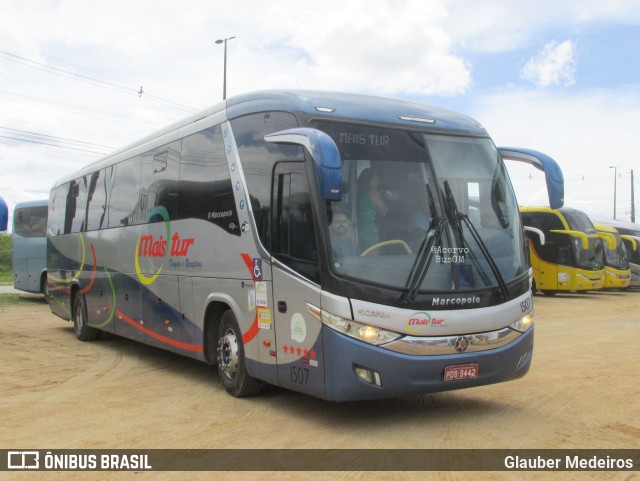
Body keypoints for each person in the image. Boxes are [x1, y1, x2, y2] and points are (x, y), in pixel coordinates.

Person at [356, 168, 388, 251]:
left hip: (357, 229)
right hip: (369, 231)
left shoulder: (357, 194)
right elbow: (384, 211)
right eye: (376, 180)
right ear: (368, 181)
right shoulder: (374, 193)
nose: (378, 183)